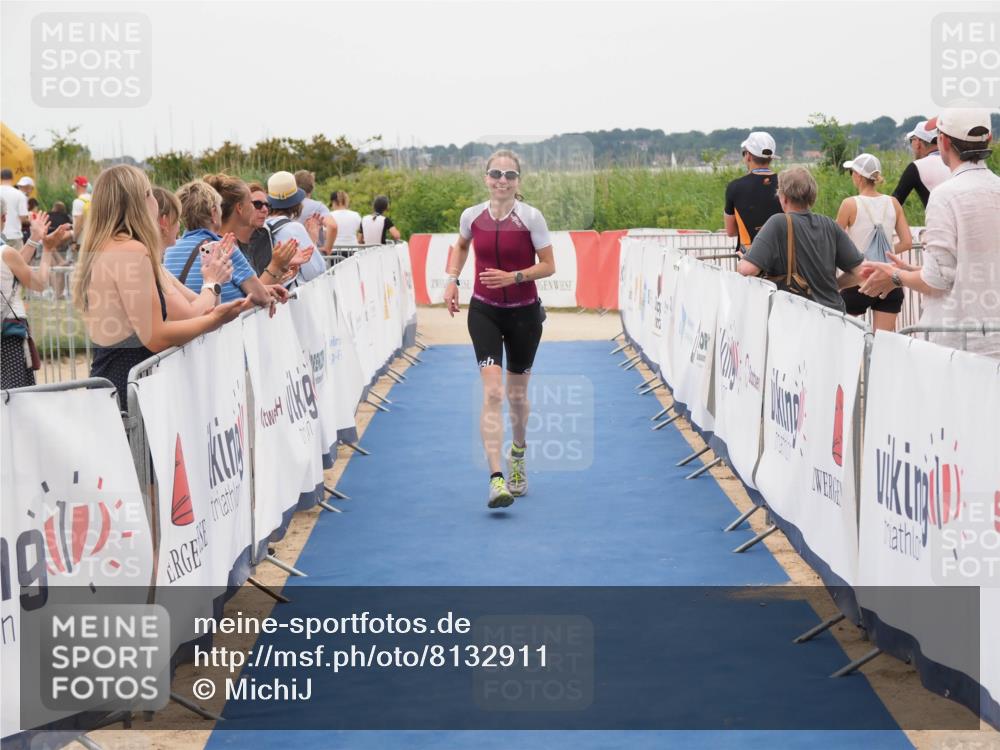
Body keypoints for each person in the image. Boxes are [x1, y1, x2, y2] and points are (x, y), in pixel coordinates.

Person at [71, 165, 249, 409]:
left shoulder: (106, 247)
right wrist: (215, 316)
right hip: (130, 387)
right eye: (150, 193)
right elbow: (156, 336)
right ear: (141, 201)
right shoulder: (130, 250)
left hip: (112, 384)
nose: (156, 200)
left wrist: (213, 289)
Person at [443, 149, 556, 509]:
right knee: (493, 393)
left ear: (518, 181)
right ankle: (496, 479)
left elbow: (549, 265)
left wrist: (515, 276)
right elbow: (461, 246)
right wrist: (451, 280)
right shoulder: (471, 216)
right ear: (486, 178)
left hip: (524, 314)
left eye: (509, 175)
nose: (502, 181)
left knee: (517, 397)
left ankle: (518, 455)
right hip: (484, 311)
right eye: (496, 174)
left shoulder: (531, 218)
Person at [861, 108, 1000, 357]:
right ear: (988, 140)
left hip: (956, 341)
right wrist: (910, 271)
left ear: (943, 142)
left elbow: (938, 280)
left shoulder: (945, 196)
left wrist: (895, 276)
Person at [737, 166, 866, 311]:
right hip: (834, 315)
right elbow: (861, 273)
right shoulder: (829, 224)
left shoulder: (778, 223)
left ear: (784, 197)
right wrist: (833, 285)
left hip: (799, 317)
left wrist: (743, 259)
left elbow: (748, 269)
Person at [163, 179, 286, 306]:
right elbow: (261, 297)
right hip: (227, 323)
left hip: (190, 321)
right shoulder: (224, 248)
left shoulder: (170, 250)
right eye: (218, 207)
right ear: (213, 213)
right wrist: (270, 297)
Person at [835, 153, 912, 331]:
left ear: (858, 176)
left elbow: (834, 241)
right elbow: (907, 242)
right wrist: (887, 251)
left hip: (859, 281)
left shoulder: (850, 204)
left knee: (848, 343)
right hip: (889, 281)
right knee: (882, 347)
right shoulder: (893, 203)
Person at [1, 213, 72, 388]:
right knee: (14, 401)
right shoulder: (6, 253)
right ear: (2, 217)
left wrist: (33, 239)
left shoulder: (7, 254)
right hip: (9, 336)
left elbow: (12, 267)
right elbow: (39, 283)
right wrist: (47, 249)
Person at [152, 186, 236, 321]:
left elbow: (208, 310)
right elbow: (191, 315)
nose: (180, 225)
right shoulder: (151, 269)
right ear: (164, 222)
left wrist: (212, 278)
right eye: (177, 218)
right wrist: (212, 281)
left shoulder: (159, 269)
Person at [264, 171, 326, 287]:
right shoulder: (294, 228)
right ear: (297, 201)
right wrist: (312, 240)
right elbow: (316, 271)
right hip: (291, 298)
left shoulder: (263, 225)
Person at [724, 131, 782, 252]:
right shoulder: (785, 183)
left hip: (750, 258)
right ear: (771, 157)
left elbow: (731, 231)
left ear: (748, 156)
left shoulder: (735, 187)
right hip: (782, 255)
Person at [891, 120, 951, 208]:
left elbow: (893, 204)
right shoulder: (955, 162)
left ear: (918, 142)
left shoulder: (916, 167)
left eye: (911, 140)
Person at [294, 170, 335, 250]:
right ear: (312, 187)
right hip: (315, 254)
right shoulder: (318, 207)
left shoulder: (287, 206)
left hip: (293, 255)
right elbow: (332, 226)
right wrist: (327, 249)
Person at [0, 168, 29, 249]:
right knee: (17, 260)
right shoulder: (19, 194)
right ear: (12, 178)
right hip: (14, 235)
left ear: (0, 178)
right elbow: (23, 218)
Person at [71, 175, 92, 242]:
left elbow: (79, 223)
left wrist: (74, 241)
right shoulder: (93, 198)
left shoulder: (77, 202)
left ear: (76, 186)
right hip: (93, 239)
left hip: (81, 241)